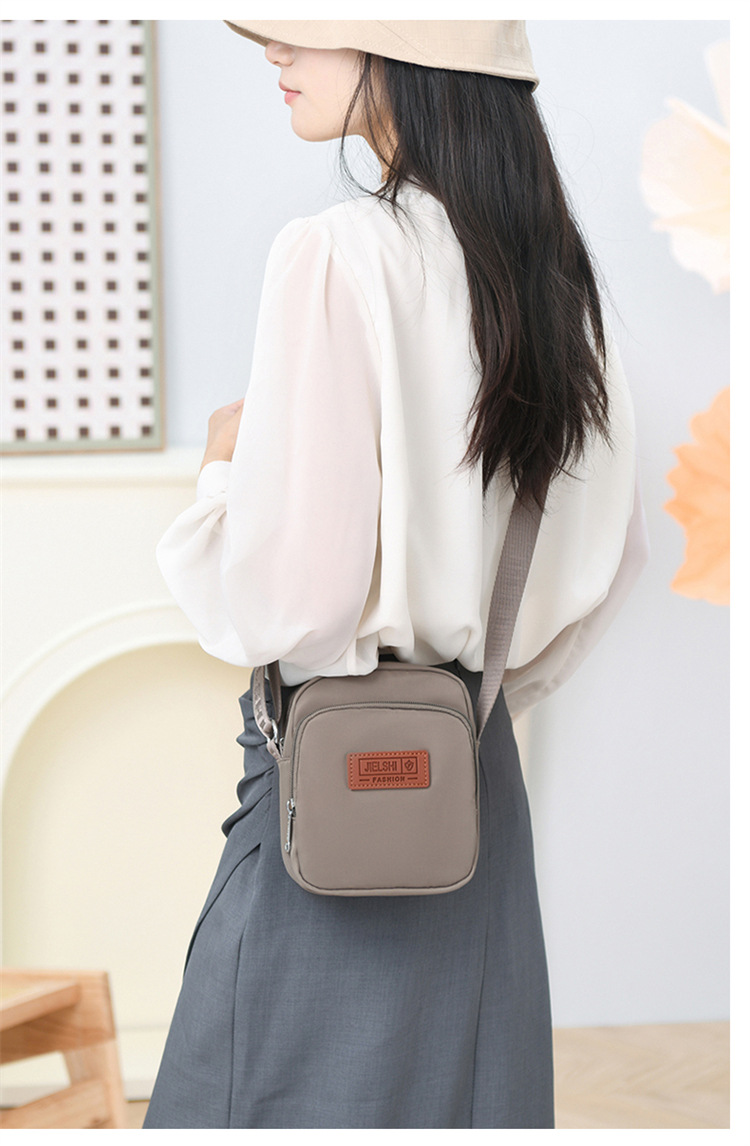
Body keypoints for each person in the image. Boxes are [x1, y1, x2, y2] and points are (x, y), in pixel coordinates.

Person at [143, 20, 648, 1130]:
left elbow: (294, 603)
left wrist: (223, 474)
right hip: (474, 772)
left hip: (330, 773)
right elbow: (610, 561)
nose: (274, 53)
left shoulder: (339, 254)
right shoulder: (558, 282)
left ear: (407, 51)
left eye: (305, 30)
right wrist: (464, 692)